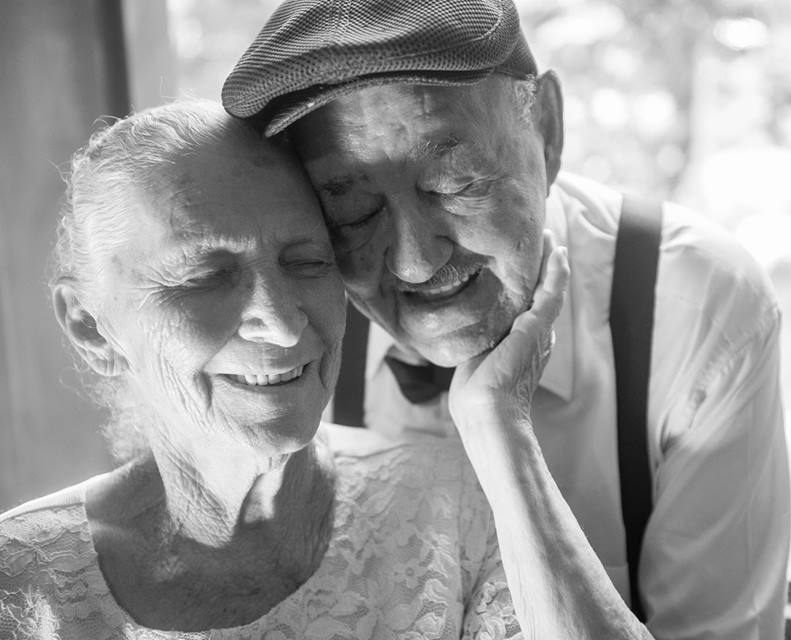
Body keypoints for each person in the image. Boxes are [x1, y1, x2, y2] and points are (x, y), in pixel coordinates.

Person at [222, 1, 791, 638]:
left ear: (546, 127)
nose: (414, 263)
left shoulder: (696, 310)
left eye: (454, 181)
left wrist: (501, 433)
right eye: (352, 213)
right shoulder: (286, 321)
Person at [0, 99, 589, 639]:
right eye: (204, 278)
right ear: (89, 326)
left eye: (308, 261)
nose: (282, 323)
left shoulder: (458, 506)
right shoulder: (20, 578)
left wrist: (497, 421)